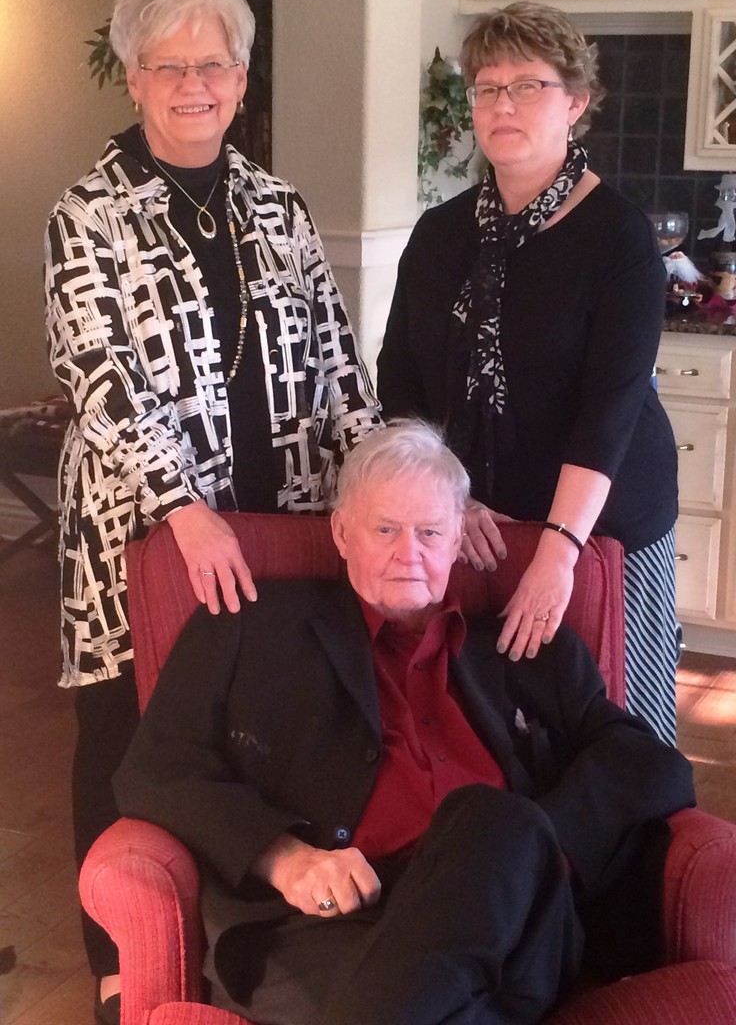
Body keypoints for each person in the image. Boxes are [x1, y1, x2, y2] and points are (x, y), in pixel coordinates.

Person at [43, 0, 381, 1020]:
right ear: (134, 78)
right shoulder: (88, 213)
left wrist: (379, 486)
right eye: (170, 65)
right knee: (127, 727)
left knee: (254, 718)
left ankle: (253, 924)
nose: (195, 85)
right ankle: (121, 958)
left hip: (277, 518)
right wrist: (183, 510)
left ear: (243, 77)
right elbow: (97, 375)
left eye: (216, 64)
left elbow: (337, 367)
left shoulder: (278, 206)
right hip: (140, 524)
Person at [114, 420, 694, 1025]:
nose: (408, 553)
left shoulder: (522, 649)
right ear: (342, 532)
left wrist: (535, 852)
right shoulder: (251, 627)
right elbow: (155, 769)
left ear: (456, 541)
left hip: (515, 932)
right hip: (330, 928)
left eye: (430, 532)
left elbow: (652, 766)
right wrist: (286, 859)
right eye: (386, 529)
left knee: (495, 819)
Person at [377, 2, 680, 747]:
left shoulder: (619, 238)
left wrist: (558, 550)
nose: (502, 104)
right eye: (487, 87)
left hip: (600, 528)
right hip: (474, 524)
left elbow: (610, 410)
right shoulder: (439, 234)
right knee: (494, 728)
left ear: (575, 102)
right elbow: (401, 380)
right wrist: (454, 495)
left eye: (528, 86)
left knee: (612, 725)